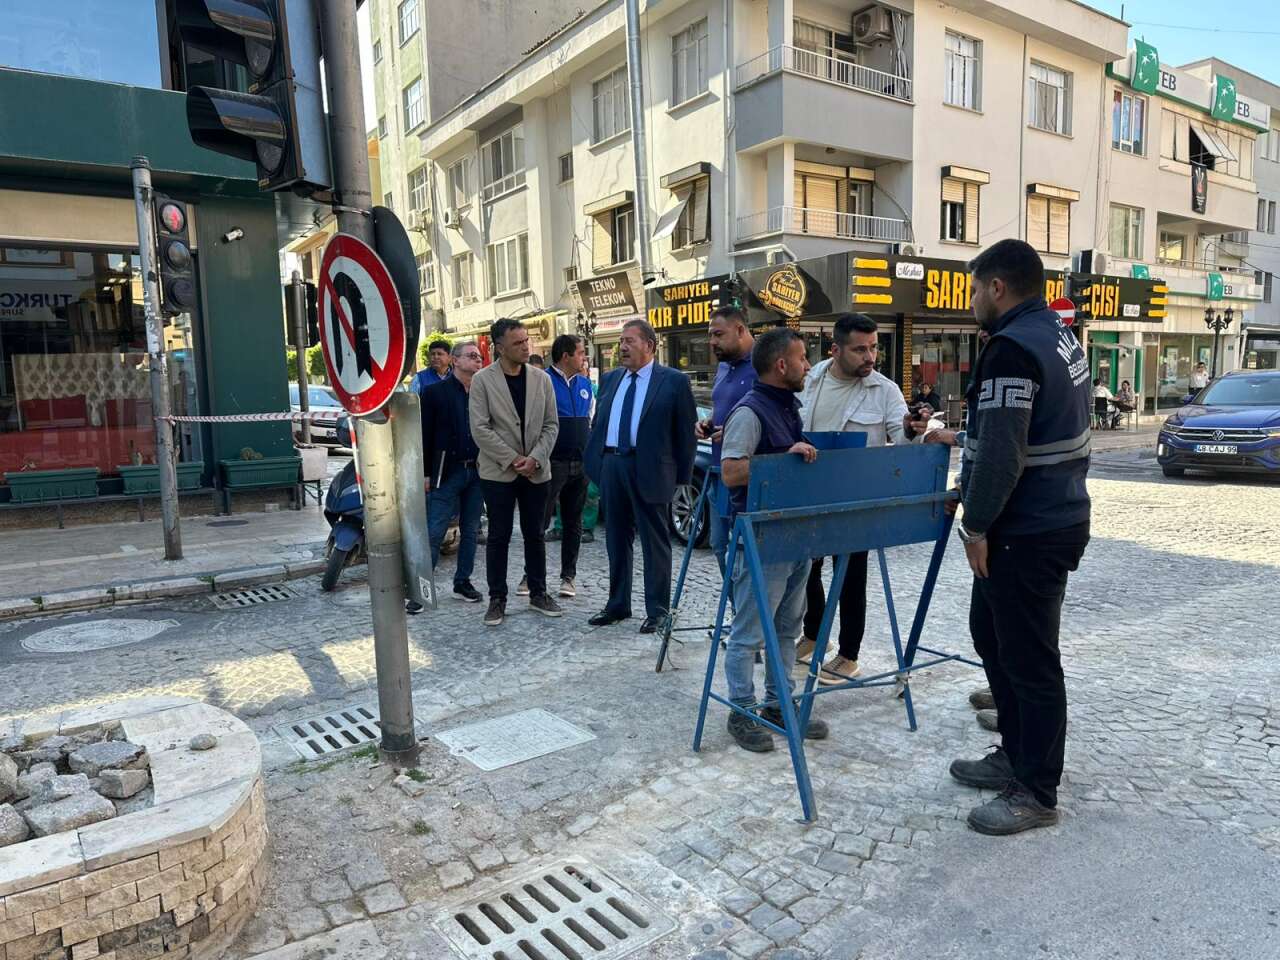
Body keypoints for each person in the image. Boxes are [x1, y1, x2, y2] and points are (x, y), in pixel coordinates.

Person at [947, 238, 1091, 836]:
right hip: (1045, 517)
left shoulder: (1011, 349)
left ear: (998, 288)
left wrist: (976, 523)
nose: (974, 298)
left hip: (1024, 528)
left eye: (976, 288)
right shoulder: (1058, 335)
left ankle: (1035, 790)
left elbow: (1006, 452)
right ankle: (1015, 750)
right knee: (993, 635)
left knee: (1030, 660)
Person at [796, 313, 940, 685]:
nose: (870, 356)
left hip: (856, 496)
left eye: (873, 347)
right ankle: (814, 635)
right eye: (860, 349)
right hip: (809, 490)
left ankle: (848, 654)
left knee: (851, 575)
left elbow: (902, 432)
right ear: (836, 349)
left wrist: (913, 427)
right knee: (806, 568)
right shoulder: (809, 380)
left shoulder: (885, 390)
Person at [719, 327, 829, 752]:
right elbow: (731, 472)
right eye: (802, 359)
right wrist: (782, 461)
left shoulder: (787, 407)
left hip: (793, 536)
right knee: (748, 632)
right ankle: (741, 710)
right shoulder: (750, 412)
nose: (807, 366)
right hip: (761, 539)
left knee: (787, 628)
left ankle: (779, 704)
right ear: (781, 365)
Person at [585, 319, 697, 633]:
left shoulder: (673, 381)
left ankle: (659, 611)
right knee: (616, 539)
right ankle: (617, 605)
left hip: (650, 469)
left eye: (629, 341)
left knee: (655, 542)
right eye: (621, 341)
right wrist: (596, 464)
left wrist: (681, 481)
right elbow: (598, 424)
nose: (622, 346)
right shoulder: (609, 380)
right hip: (613, 466)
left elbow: (685, 434)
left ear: (649, 345)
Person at [468, 318, 562, 626]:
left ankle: (538, 592)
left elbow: (551, 425)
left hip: (537, 471)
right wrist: (512, 459)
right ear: (500, 347)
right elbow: (480, 429)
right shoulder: (482, 380)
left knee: (535, 533)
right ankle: (497, 598)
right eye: (518, 343)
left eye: (526, 341)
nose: (526, 347)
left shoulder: (542, 379)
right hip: (498, 473)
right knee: (499, 535)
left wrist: (534, 458)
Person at [414, 341, 485, 608]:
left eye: (479, 357)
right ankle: (421, 591)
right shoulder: (434, 393)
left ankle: (462, 582)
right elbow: (424, 435)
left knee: (470, 531)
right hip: (446, 473)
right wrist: (425, 474)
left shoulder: (482, 392)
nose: (477, 360)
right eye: (471, 356)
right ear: (455, 360)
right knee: (434, 532)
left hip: (476, 472)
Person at [695, 306, 756, 581]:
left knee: (746, 552)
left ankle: (749, 617)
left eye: (718, 334)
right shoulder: (723, 366)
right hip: (719, 472)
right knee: (719, 547)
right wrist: (707, 422)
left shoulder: (763, 365)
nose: (712, 342)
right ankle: (738, 614)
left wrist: (734, 432)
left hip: (749, 477)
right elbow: (724, 406)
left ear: (740, 330)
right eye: (710, 335)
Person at [538, 334, 593, 598]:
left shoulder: (585, 384)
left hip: (580, 464)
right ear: (566, 356)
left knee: (573, 522)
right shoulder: (542, 381)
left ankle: (568, 577)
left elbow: (590, 419)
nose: (585, 358)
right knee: (540, 519)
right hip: (552, 463)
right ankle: (532, 575)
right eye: (581, 353)